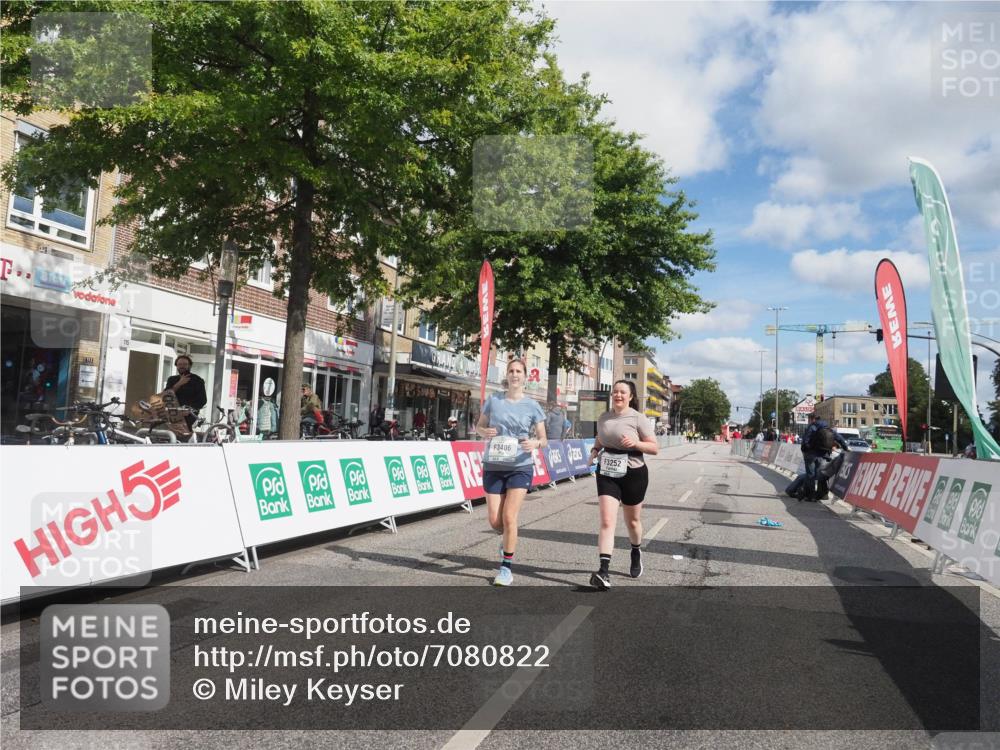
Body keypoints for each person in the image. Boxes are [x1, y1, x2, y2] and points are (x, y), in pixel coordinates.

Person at [475, 358, 547, 586]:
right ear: (507, 375)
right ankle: (506, 538)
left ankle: (506, 568)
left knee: (509, 517)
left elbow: (544, 439)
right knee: (495, 521)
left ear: (525, 376)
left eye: (519, 371)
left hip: (520, 466)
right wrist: (484, 431)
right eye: (511, 371)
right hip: (494, 464)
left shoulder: (533, 406)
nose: (515, 375)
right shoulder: (494, 400)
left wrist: (535, 444)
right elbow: (478, 426)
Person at [588, 379, 659, 590]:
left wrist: (636, 443)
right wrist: (593, 452)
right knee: (607, 521)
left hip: (634, 473)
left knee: (633, 522)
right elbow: (600, 439)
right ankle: (603, 571)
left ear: (630, 397)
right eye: (615, 392)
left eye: (622, 392)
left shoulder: (638, 419)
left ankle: (636, 550)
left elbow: (655, 448)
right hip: (607, 472)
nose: (618, 395)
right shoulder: (603, 417)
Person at [786, 414, 847, 501]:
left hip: (810, 455)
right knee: (819, 475)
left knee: (810, 475)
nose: (809, 421)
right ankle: (819, 495)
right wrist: (845, 448)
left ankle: (810, 496)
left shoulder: (812, 427)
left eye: (809, 419)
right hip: (822, 455)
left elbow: (805, 440)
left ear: (813, 419)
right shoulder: (828, 428)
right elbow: (840, 438)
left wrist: (806, 449)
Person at [164, 355, 207, 429]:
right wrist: (179, 383)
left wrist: (189, 410)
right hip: (173, 414)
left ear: (190, 366)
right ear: (176, 366)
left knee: (183, 436)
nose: (182, 366)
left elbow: (202, 400)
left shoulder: (198, 380)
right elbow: (166, 395)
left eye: (185, 364)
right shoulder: (172, 379)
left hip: (189, 415)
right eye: (179, 364)